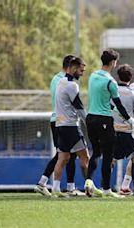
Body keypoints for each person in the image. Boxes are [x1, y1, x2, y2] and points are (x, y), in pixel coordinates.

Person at [85, 49, 134, 198]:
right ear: (113, 62)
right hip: (104, 120)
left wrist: (115, 109)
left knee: (96, 152)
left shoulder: (92, 76)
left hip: (90, 118)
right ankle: (107, 189)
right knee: (108, 155)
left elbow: (106, 102)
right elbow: (119, 104)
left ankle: (88, 181)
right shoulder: (110, 82)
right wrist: (130, 120)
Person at [34, 55, 83, 197]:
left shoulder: (57, 79)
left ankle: (68, 187)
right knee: (63, 155)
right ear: (71, 66)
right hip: (62, 121)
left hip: (59, 120)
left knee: (68, 155)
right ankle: (44, 183)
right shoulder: (63, 81)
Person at [52, 57, 90, 197]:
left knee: (63, 157)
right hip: (71, 126)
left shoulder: (60, 82)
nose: (82, 73)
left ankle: (55, 189)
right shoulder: (72, 85)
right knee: (85, 157)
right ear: (73, 68)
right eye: (81, 70)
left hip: (60, 125)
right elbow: (79, 107)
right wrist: (89, 123)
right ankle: (89, 186)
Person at [111, 64, 134, 197]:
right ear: (131, 77)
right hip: (128, 132)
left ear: (118, 76)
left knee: (111, 159)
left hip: (113, 130)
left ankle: (106, 188)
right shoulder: (133, 94)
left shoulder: (112, 92)